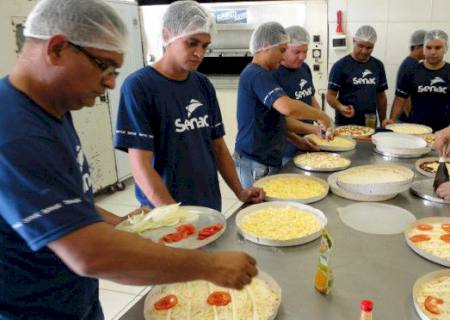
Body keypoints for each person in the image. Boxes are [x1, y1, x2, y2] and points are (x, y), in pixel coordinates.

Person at [0, 0, 257, 318]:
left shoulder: (51, 112)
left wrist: (120, 223)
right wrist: (209, 264)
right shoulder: (15, 131)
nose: (110, 82)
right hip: (36, 309)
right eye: (103, 66)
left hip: (77, 298)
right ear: (56, 49)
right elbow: (89, 254)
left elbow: (67, 200)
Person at [114, 0, 264, 212]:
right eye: (191, 43)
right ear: (167, 36)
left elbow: (218, 147)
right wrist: (174, 216)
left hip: (208, 203)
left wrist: (240, 191)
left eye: (205, 46)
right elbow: (141, 166)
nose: (199, 53)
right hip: (165, 209)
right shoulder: (139, 87)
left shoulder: (202, 84)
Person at [234, 22, 332, 188]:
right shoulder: (256, 74)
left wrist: (297, 140)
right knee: (261, 210)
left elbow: (275, 119)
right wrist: (321, 116)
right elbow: (287, 108)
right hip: (255, 160)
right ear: (265, 46)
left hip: (269, 157)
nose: (283, 56)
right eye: (281, 50)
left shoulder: (266, 73)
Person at [272, 25, 321, 164]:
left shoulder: (304, 68)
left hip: (309, 141)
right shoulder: (274, 73)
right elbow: (280, 118)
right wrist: (314, 128)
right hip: (286, 148)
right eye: (297, 52)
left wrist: (321, 119)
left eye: (305, 51)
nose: (302, 57)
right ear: (284, 49)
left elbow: (310, 98)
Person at [384, 30, 450, 131]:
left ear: (445, 48)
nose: (433, 52)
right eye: (428, 47)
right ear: (423, 49)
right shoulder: (411, 71)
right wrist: (392, 120)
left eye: (437, 48)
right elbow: (400, 99)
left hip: (443, 131)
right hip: (416, 130)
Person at [327, 25, 388, 126]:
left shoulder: (378, 66)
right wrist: (341, 107)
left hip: (369, 123)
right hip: (346, 124)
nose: (364, 51)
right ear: (353, 41)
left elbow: (381, 96)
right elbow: (330, 96)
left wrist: (383, 119)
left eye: (369, 47)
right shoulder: (340, 66)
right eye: (360, 46)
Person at [395, 30, 427, 122]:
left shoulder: (411, 63)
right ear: (417, 47)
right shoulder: (410, 65)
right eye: (426, 47)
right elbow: (405, 96)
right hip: (405, 120)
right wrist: (411, 119)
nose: (428, 51)